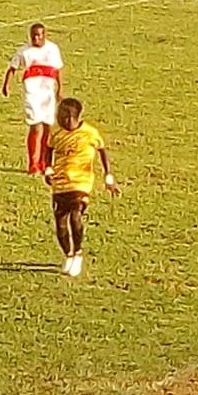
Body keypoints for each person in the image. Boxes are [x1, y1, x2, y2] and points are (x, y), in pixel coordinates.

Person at [43, 98, 120, 277]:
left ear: (69, 117)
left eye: (60, 114)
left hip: (81, 182)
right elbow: (49, 150)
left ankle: (77, 253)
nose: (57, 117)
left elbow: (102, 152)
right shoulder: (56, 134)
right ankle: (68, 254)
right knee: (61, 223)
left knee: (76, 215)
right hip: (60, 182)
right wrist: (48, 169)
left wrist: (108, 177)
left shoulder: (90, 133)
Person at [1, 23, 63, 175]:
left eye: (39, 35)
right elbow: (12, 68)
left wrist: (60, 89)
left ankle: (44, 162)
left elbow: (58, 70)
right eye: (33, 35)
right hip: (32, 93)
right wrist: (6, 85)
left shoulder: (52, 49)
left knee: (47, 126)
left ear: (44, 35)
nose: (36, 38)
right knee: (36, 126)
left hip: (47, 93)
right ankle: (33, 164)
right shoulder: (24, 51)